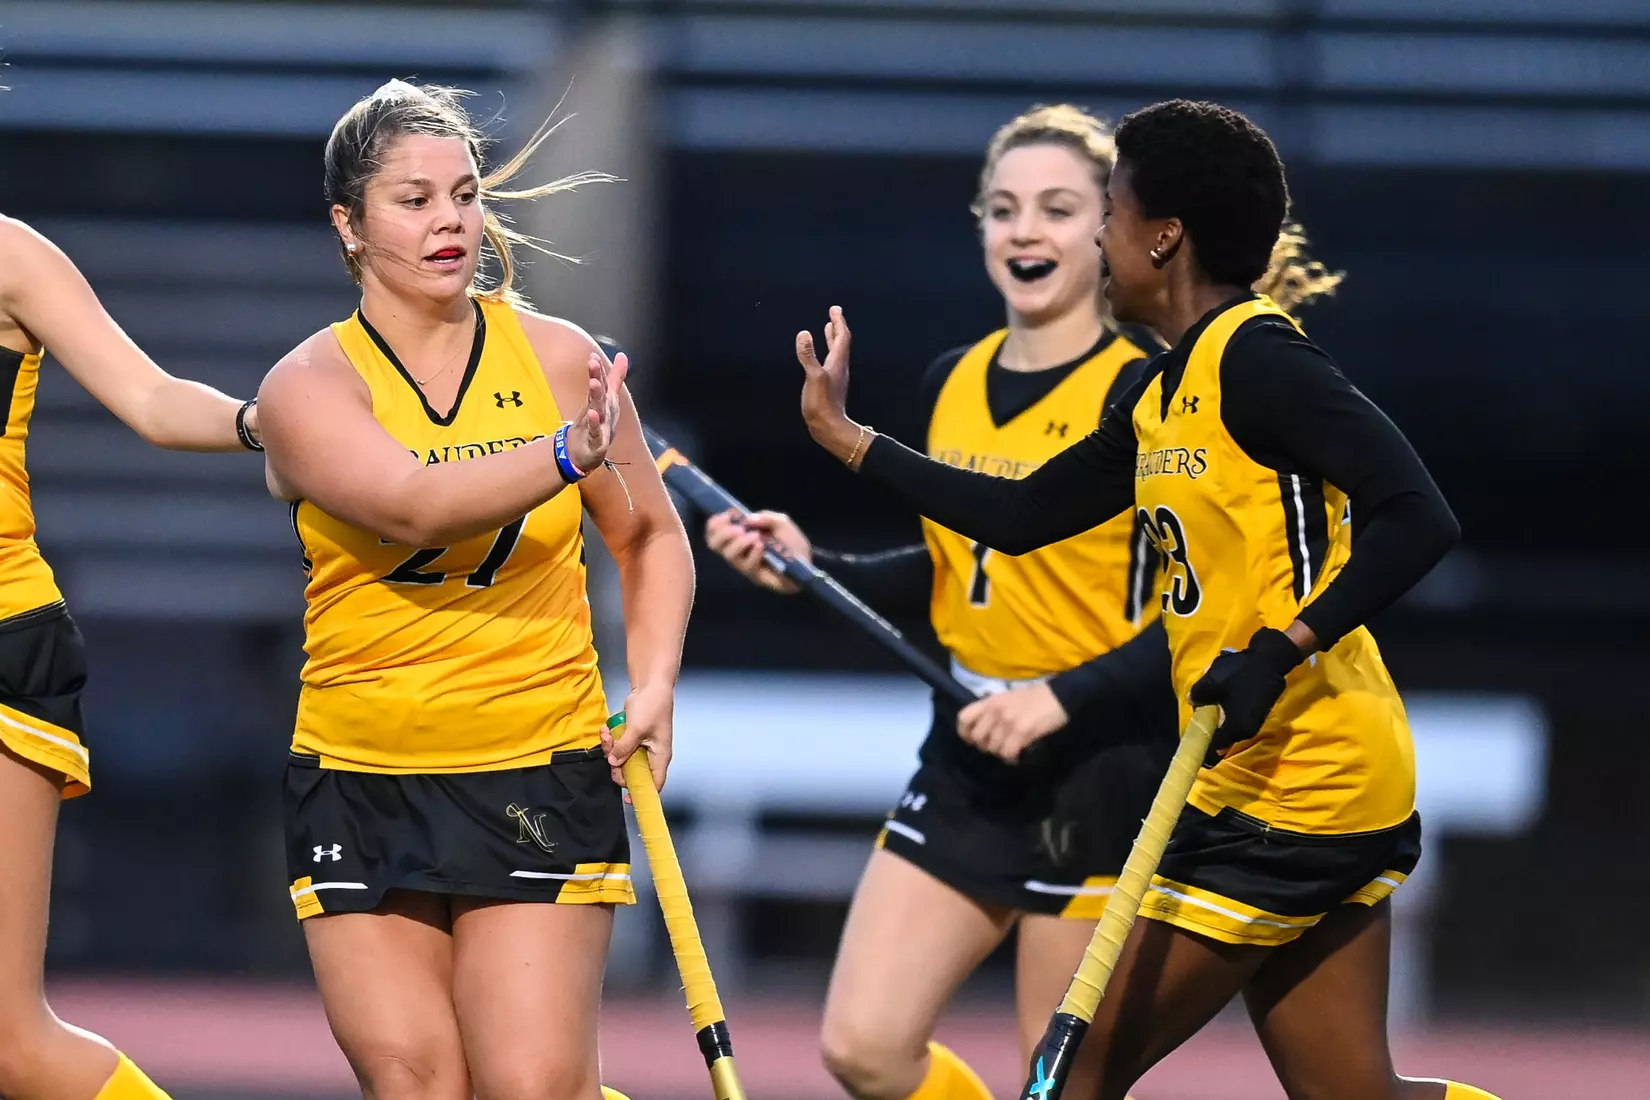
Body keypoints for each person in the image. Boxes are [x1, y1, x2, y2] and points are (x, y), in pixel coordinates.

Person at [792, 99, 1501, 1100]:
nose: (1093, 236)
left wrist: (1278, 647)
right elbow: (1024, 513)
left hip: (1305, 783)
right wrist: (854, 443)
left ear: (1162, 236)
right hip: (1245, 772)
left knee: (1067, 1077)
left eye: (1107, 212)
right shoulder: (1161, 390)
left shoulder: (1261, 360)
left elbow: (1418, 516)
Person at [706, 105, 1342, 1100]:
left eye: (1057, 208)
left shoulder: (1155, 390)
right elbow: (957, 567)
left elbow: (1208, 606)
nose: (1025, 232)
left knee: (1063, 1086)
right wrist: (812, 561)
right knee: (864, 1047)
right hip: (966, 754)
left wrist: (1063, 694)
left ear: (1115, 228)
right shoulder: (949, 378)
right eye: (1003, 210)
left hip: (1102, 768)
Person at [256, 80, 693, 1100]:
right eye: (413, 200)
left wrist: (658, 681)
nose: (450, 219)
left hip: (536, 764)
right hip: (358, 773)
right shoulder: (306, 385)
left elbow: (650, 537)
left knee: (532, 1086)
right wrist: (560, 454)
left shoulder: (559, 359)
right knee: (416, 1081)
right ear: (349, 225)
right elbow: (410, 507)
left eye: (463, 194)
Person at [0, 218, 263, 1095]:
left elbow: (151, 401)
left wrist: (262, 422)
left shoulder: (11, 257)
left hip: (1, 638)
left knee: (10, 1044)